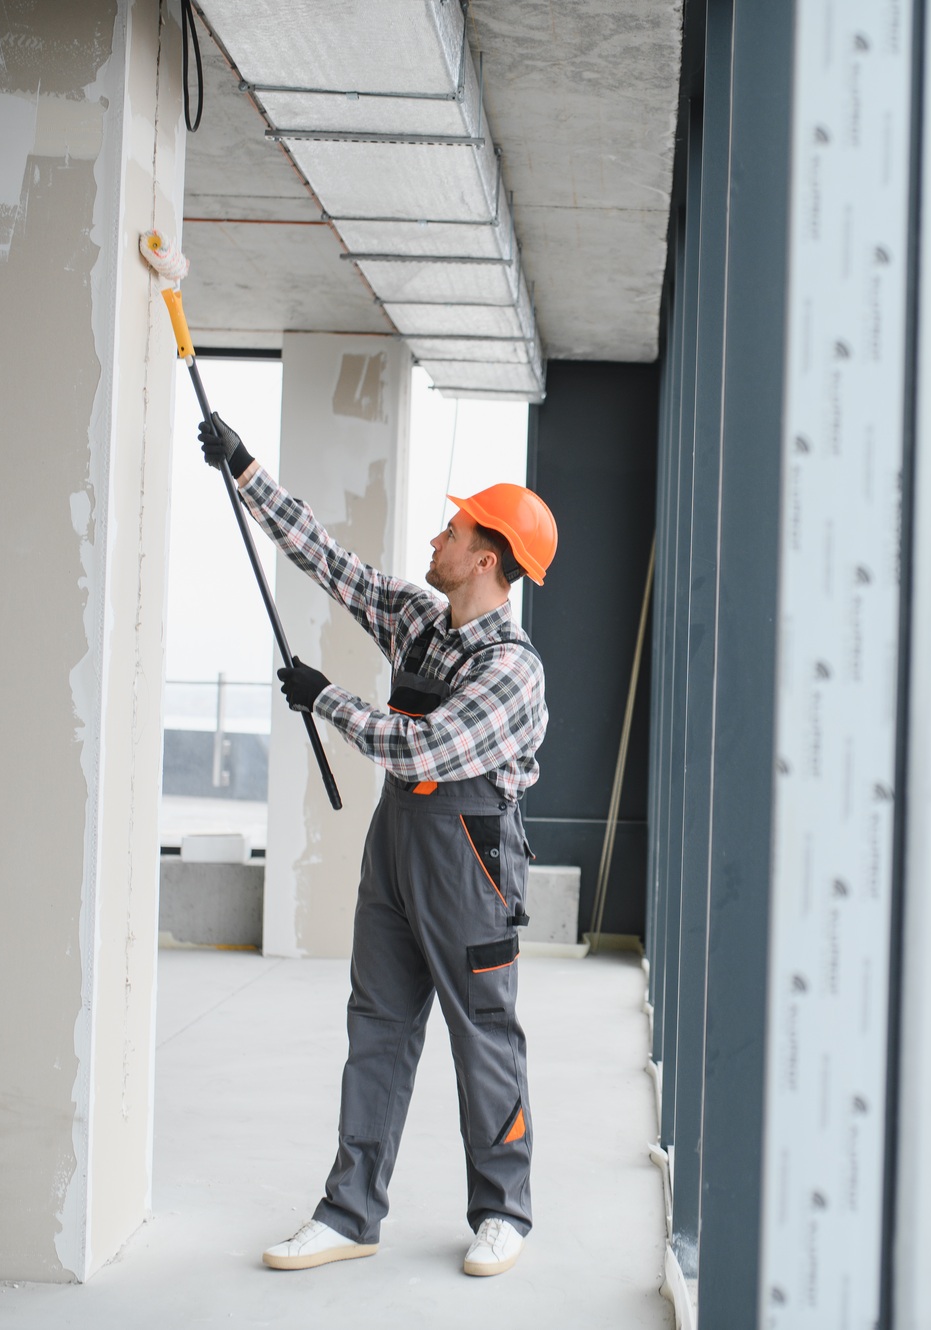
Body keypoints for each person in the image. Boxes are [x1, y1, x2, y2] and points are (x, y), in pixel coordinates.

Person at [195, 413, 555, 1279]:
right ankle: (350, 1211)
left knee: (485, 1039)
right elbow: (328, 560)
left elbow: (422, 750)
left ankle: (504, 1211)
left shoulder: (511, 670)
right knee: (378, 1030)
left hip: (470, 864)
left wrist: (327, 700)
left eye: (455, 528)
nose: (438, 535)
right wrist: (244, 472)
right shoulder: (420, 622)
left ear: (487, 559)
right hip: (397, 852)